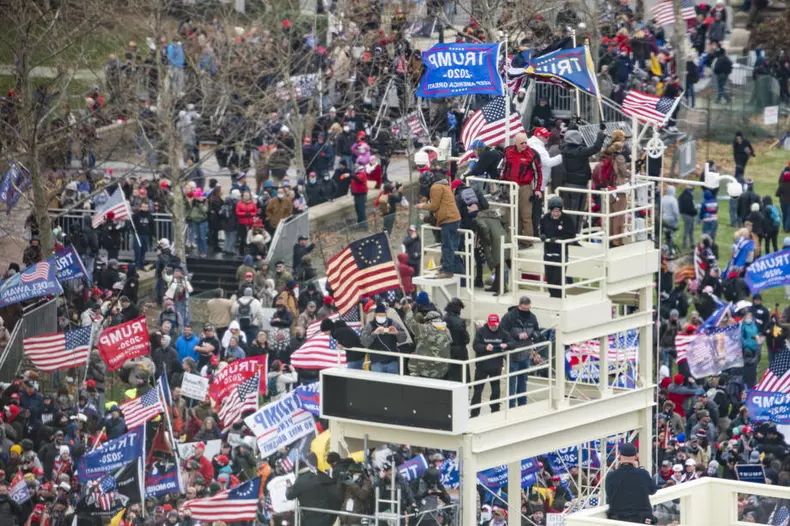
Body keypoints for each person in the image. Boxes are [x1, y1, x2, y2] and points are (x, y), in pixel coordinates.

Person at [560, 124, 606, 233]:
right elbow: (596, 148)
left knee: (570, 211)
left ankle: (569, 234)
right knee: (578, 212)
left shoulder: (564, 149)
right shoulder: (580, 151)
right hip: (580, 185)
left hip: (568, 184)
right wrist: (601, 134)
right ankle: (574, 234)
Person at [416, 172, 461, 279]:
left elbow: (434, 206)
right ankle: (445, 269)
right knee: (450, 246)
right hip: (453, 218)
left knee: (447, 246)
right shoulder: (443, 185)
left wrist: (422, 206)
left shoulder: (435, 188)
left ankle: (447, 270)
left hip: (448, 219)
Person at [502, 132, 543, 242]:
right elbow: (503, 168)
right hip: (510, 186)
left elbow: (538, 173)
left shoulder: (532, 154)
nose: (524, 145)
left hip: (525, 187)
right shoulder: (507, 151)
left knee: (526, 215)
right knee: (513, 216)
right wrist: (502, 183)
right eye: (521, 143)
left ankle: (528, 240)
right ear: (515, 143)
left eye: (525, 142)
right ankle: (515, 240)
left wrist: (537, 189)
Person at [500, 296, 541, 407]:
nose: (526, 311)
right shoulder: (509, 317)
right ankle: (511, 406)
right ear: (519, 306)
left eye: (528, 309)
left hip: (525, 354)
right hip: (512, 355)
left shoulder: (532, 317)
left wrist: (531, 335)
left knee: (523, 381)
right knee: (512, 382)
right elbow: (502, 332)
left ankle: (522, 405)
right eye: (523, 309)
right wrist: (517, 336)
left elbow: (537, 332)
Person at [605, 443, 658, 523]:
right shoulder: (642, 474)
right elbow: (653, 490)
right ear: (636, 456)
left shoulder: (611, 476)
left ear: (619, 456)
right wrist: (638, 469)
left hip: (618, 520)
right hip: (641, 519)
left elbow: (609, 498)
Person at [470, 314, 511, 417]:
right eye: (492, 325)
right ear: (488, 323)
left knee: (496, 389)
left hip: (496, 366)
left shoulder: (503, 332)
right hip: (482, 366)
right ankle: (474, 412)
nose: (494, 327)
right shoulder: (481, 332)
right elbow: (475, 345)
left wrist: (506, 345)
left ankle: (495, 410)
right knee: (478, 390)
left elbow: (513, 343)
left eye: (495, 325)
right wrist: (485, 347)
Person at [286, 452, 342, 526]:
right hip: (326, 515)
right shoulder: (317, 476)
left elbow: (289, 495)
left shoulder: (300, 481)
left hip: (312, 518)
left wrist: (288, 487)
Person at [402, 301, 451, 379]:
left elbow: (410, 322)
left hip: (428, 371)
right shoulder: (446, 330)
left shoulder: (427, 329)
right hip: (443, 370)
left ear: (429, 320)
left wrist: (409, 311)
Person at [539, 197, 575, 298]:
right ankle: (553, 297)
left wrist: (559, 239)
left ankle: (560, 298)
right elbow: (541, 230)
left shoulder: (567, 219)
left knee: (557, 280)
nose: (556, 213)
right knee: (550, 280)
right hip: (548, 254)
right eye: (554, 211)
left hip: (560, 255)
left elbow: (571, 235)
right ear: (550, 210)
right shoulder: (545, 218)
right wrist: (542, 235)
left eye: (558, 211)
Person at [360, 303, 407, 374]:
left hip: (392, 361)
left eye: (383, 316)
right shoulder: (369, 325)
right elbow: (364, 342)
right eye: (379, 315)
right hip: (376, 362)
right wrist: (374, 333)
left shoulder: (393, 323)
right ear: (375, 315)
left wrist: (397, 333)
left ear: (386, 315)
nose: (381, 317)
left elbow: (404, 338)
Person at [678, 185, 697, 250]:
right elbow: (690, 208)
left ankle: (692, 244)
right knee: (687, 229)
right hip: (689, 215)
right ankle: (685, 244)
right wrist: (695, 212)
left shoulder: (683, 195)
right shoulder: (687, 197)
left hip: (685, 214)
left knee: (691, 229)